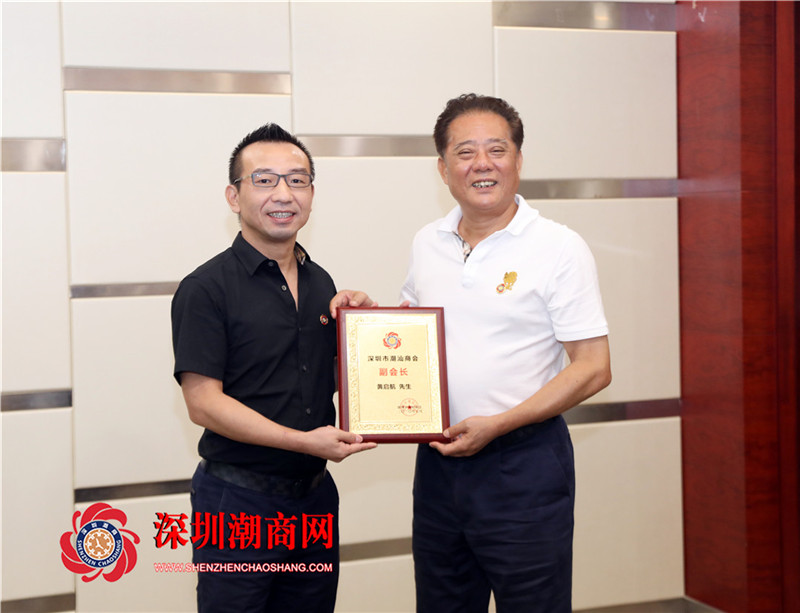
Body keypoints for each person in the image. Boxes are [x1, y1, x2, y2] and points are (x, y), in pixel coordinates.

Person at [400, 94, 612, 612]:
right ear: (443, 168)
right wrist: (361, 316)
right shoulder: (427, 241)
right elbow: (409, 334)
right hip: (438, 464)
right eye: (465, 152)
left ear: (518, 160)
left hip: (523, 466)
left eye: (497, 150)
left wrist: (499, 424)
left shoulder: (559, 247)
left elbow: (593, 367)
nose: (482, 164)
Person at [171, 123, 376, 613]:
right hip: (239, 503)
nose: (283, 194)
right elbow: (203, 404)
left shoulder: (321, 281)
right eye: (264, 180)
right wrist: (303, 442)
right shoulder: (205, 289)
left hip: (314, 499)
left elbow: (321, 375)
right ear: (234, 196)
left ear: (311, 195)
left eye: (297, 180)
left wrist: (364, 334)